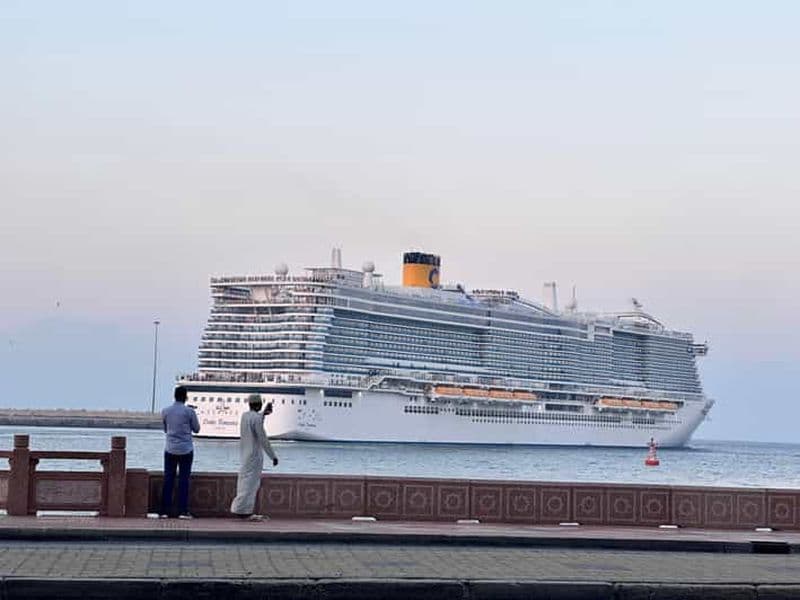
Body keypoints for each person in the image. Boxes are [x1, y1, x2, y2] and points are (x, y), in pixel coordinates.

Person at [230, 394, 279, 521]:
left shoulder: (245, 416)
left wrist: (263, 414)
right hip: (254, 456)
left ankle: (240, 509)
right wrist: (273, 456)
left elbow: (255, 420)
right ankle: (244, 512)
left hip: (245, 455)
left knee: (244, 482)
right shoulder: (256, 418)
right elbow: (263, 438)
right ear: (259, 404)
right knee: (251, 484)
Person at [160, 385, 200, 518]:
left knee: (168, 479)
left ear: (174, 396)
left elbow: (165, 429)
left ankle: (164, 511)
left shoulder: (165, 411)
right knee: (184, 480)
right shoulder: (189, 412)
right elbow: (197, 429)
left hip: (170, 449)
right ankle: (182, 511)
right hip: (186, 450)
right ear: (186, 397)